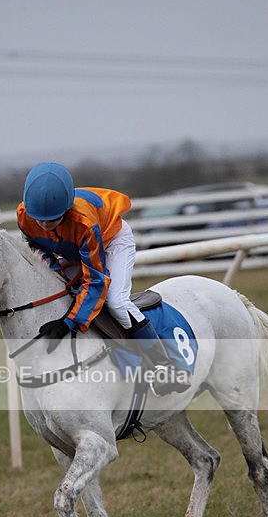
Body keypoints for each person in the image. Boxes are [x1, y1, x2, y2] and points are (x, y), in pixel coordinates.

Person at [16, 162, 190, 395]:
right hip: (74, 247)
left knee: (116, 301)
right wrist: (56, 272)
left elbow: (96, 280)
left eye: (53, 219)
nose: (45, 225)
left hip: (112, 240)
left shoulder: (83, 222)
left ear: (66, 210)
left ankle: (164, 365)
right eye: (40, 220)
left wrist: (67, 322)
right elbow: (41, 251)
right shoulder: (25, 216)